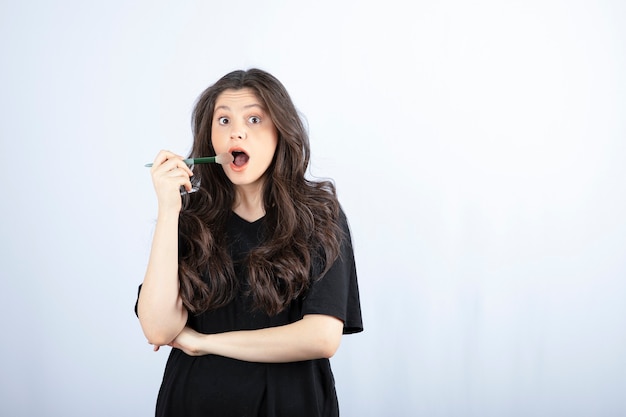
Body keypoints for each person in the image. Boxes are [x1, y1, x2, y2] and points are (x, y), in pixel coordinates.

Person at [135, 68, 363, 417]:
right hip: (194, 403)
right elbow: (158, 327)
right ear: (210, 138)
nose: (236, 131)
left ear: (280, 132)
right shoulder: (188, 217)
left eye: (254, 118)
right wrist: (168, 209)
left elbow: (321, 337)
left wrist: (204, 343)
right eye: (223, 120)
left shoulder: (320, 215)